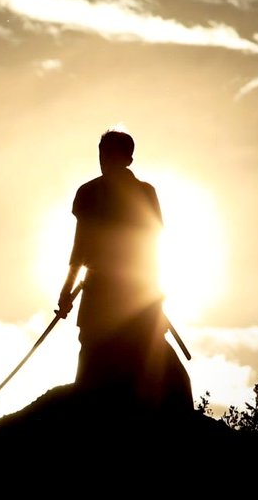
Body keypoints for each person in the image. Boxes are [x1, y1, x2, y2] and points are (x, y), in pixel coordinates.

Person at [56, 129, 192, 410]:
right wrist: (66, 290)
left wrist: (154, 296)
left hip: (134, 295)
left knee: (161, 370)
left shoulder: (144, 193)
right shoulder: (89, 193)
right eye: (102, 155)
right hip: (106, 295)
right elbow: (80, 248)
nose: (104, 161)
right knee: (94, 368)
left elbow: (152, 245)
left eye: (110, 156)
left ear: (128, 159)